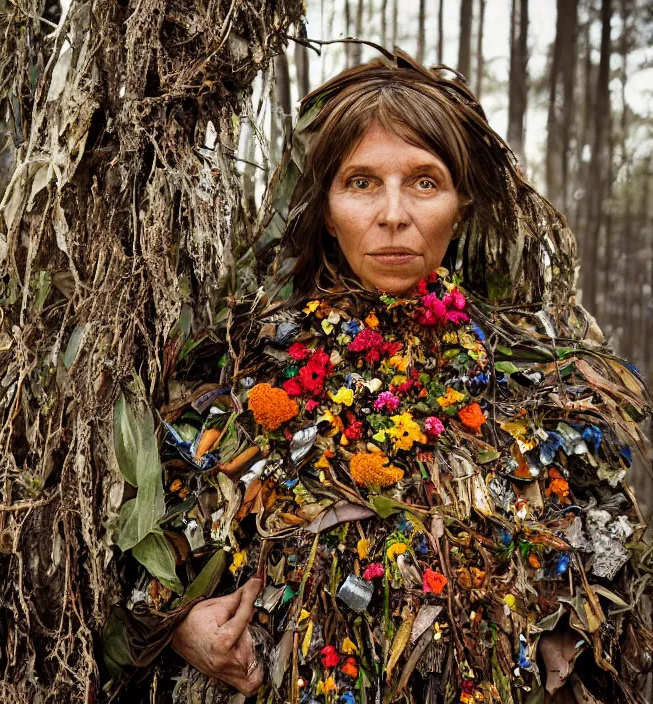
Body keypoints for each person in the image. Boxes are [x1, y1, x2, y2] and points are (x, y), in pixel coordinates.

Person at [108, 50, 652, 704]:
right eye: (361, 182)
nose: (394, 214)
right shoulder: (245, 364)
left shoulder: (546, 381)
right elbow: (132, 556)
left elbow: (607, 611)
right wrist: (177, 629)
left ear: (462, 202)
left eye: (424, 182)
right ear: (327, 208)